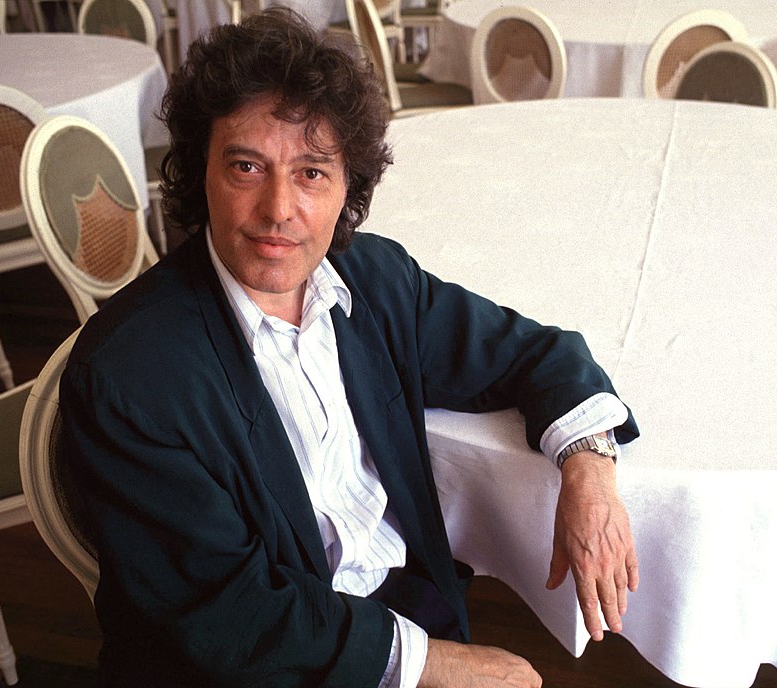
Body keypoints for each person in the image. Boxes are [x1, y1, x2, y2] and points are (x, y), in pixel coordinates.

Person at [60, 8, 639, 687]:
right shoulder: (130, 374)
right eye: (247, 166)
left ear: (347, 188)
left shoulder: (375, 281)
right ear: (200, 172)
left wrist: (589, 468)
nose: (279, 209)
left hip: (404, 605)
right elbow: (230, 614)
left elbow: (533, 353)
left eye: (311, 173)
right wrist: (434, 666)